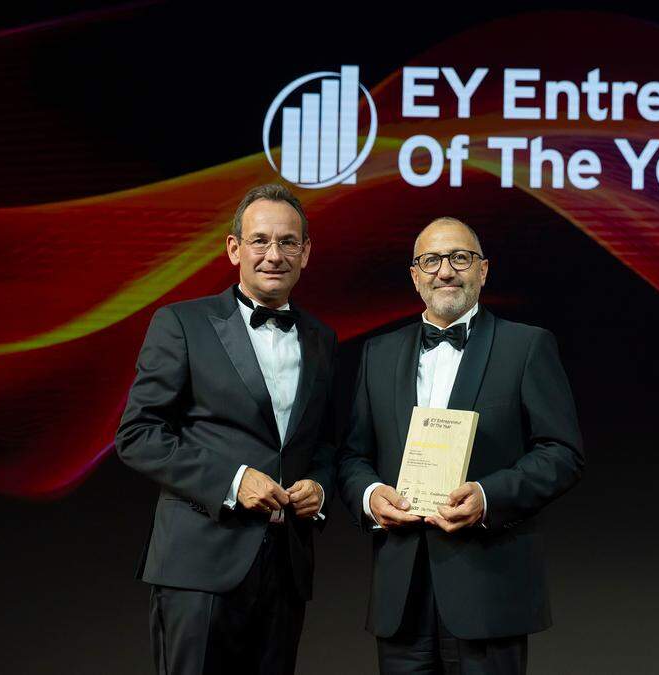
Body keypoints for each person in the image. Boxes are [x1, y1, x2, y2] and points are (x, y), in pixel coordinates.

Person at [338, 217, 584, 674]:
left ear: (483, 270)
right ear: (415, 275)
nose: (445, 271)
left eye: (460, 258)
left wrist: (489, 497)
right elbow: (353, 456)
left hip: (489, 590)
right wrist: (372, 497)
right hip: (401, 597)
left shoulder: (526, 346)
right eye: (430, 260)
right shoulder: (379, 353)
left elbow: (563, 453)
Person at [116, 183, 336, 675]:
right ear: (234, 248)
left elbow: (322, 442)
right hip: (199, 565)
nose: (273, 254)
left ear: (306, 252)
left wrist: (319, 485)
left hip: (286, 568)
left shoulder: (322, 338)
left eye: (287, 242)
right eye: (260, 240)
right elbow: (138, 434)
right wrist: (235, 482)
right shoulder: (181, 323)